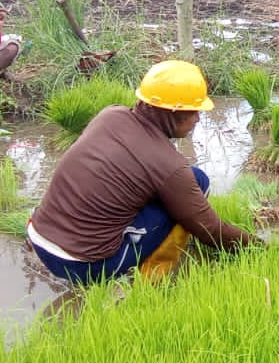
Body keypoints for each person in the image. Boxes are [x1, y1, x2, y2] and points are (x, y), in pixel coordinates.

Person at [28, 60, 259, 285]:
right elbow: (209, 229)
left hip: (39, 236)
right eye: (193, 111)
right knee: (196, 186)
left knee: (193, 177)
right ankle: (150, 281)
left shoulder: (110, 115)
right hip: (82, 265)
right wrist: (260, 249)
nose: (198, 118)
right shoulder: (168, 165)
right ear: (173, 111)